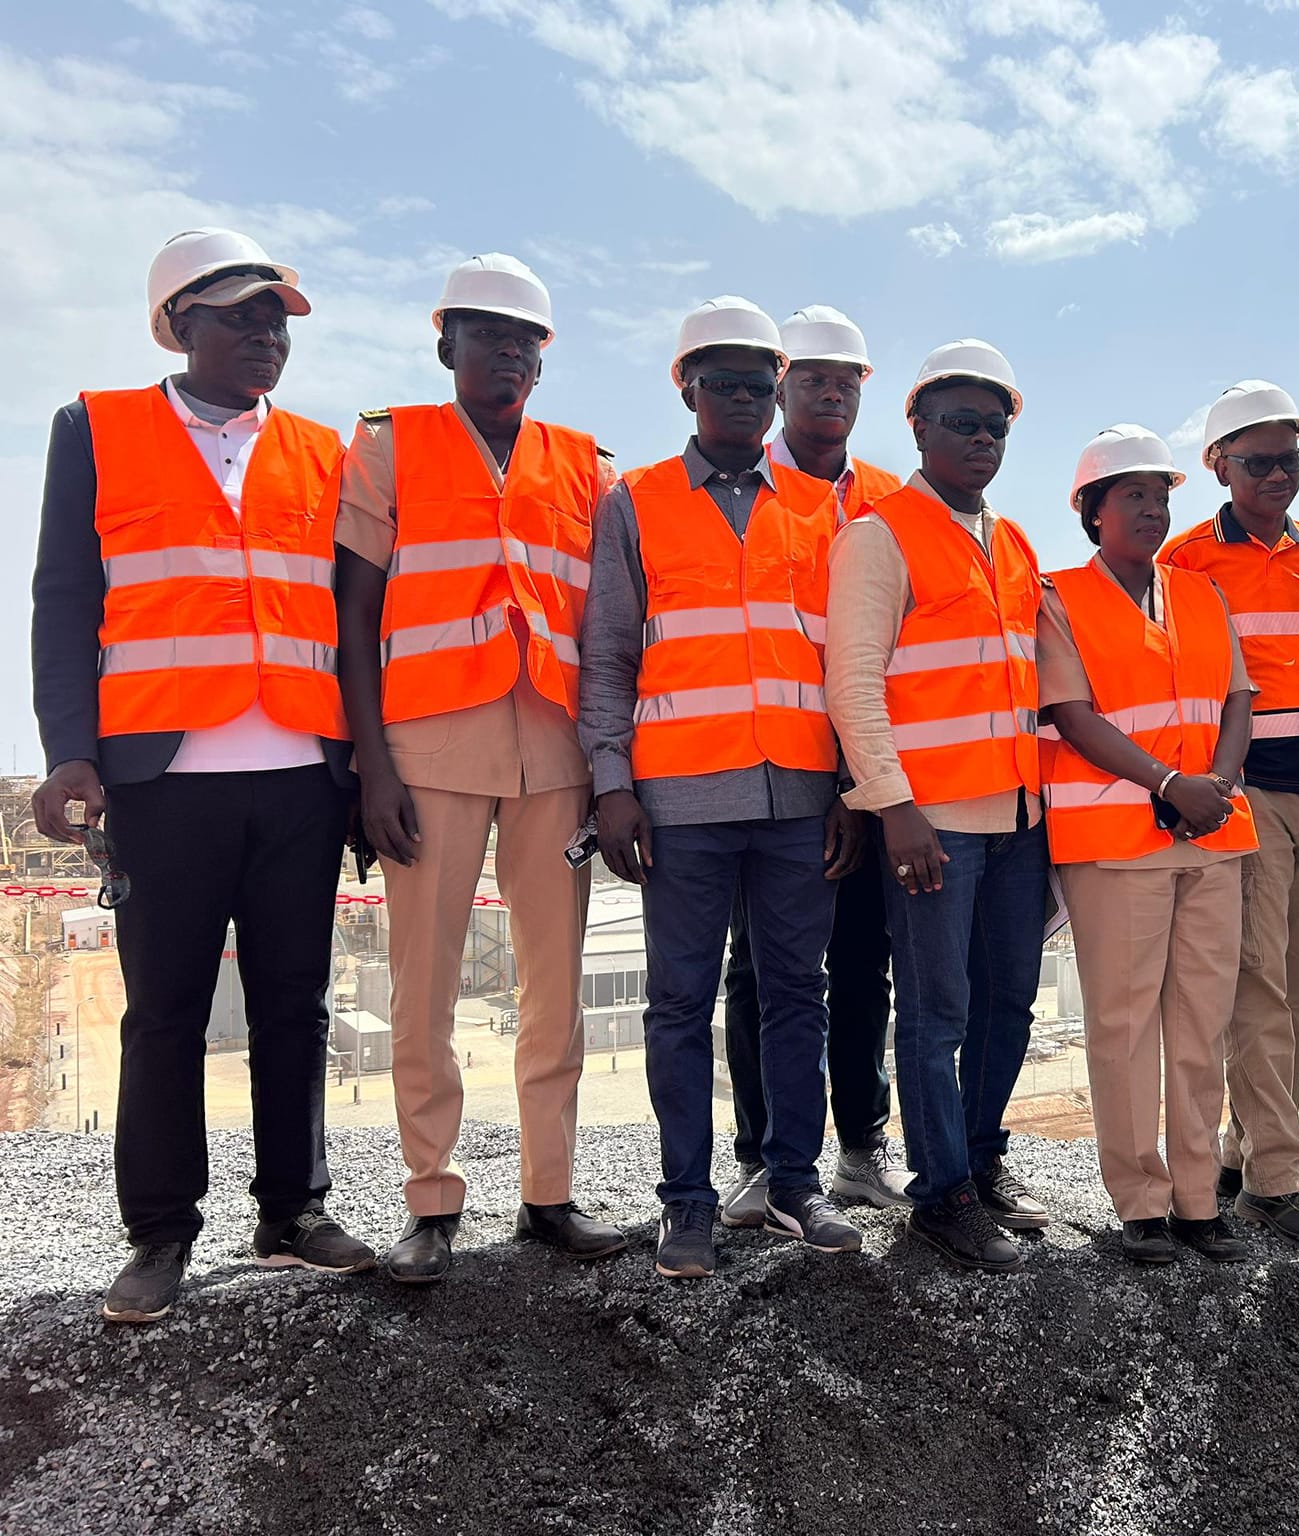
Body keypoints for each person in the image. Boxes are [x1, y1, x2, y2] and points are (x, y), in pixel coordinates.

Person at [30, 228, 372, 1323]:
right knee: (166, 1012)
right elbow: (64, 599)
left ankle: (293, 1213)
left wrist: (362, 768)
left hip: (301, 771)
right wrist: (69, 750)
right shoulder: (97, 429)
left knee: (295, 1005)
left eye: (277, 319)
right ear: (178, 324)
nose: (268, 335)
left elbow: (351, 617)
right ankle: (161, 1230)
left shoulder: (323, 451)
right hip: (162, 775)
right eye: (241, 316)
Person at [335, 254, 623, 1283]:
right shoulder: (388, 446)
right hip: (428, 752)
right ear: (444, 342)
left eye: (526, 339)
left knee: (555, 988)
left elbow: (608, 624)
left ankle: (549, 1192)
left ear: (543, 359)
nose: (509, 351)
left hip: (553, 752)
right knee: (423, 987)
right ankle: (431, 1199)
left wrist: (609, 765)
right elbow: (355, 615)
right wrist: (370, 768)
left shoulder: (587, 465)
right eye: (487, 333)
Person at [580, 296, 862, 1281]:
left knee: (796, 995)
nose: (742, 399)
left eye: (757, 384)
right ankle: (686, 1204)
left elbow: (842, 661)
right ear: (686, 389)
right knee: (678, 1004)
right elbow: (609, 653)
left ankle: (793, 1183)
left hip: (798, 796)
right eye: (722, 383)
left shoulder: (822, 508)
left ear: (776, 394)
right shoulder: (637, 502)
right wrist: (611, 784)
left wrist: (849, 787)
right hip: (681, 799)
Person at [825, 339, 1050, 1274]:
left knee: (1010, 1003)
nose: (982, 439)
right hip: (936, 822)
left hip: (1018, 819)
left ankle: (982, 1158)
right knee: (935, 1012)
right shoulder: (878, 536)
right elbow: (853, 683)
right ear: (917, 427)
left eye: (996, 426)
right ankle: (941, 1194)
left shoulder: (1014, 541)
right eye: (962, 422)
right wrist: (895, 806)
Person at [1038, 426, 1258, 1265]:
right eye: (1132, 495)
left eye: (1160, 496)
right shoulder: (1060, 598)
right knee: (1124, 1025)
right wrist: (1170, 785)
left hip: (1211, 837)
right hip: (1115, 840)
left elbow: (1236, 700)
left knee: (1201, 1023)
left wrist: (1217, 787)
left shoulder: (1201, 594)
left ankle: (1198, 1200)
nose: (1152, 510)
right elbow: (1073, 716)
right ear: (1092, 510)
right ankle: (1140, 1202)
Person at [718, 306, 911, 1225]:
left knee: (866, 961)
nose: (832, 392)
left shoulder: (891, 501)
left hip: (875, 768)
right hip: (778, 767)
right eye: (814, 378)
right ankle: (762, 1158)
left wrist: (866, 778)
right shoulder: (745, 491)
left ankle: (862, 1150)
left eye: (848, 380)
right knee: (763, 970)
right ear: (782, 385)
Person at [1161, 382, 1299, 1249]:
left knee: (1297, 983)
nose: (1279, 475)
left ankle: (1248, 1151)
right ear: (1219, 466)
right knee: (1258, 987)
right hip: (1249, 796)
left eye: (1290, 460)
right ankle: (1277, 1181)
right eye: (1259, 462)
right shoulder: (1185, 561)